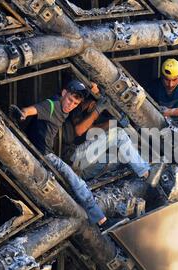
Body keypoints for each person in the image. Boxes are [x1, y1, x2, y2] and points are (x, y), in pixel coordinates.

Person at [11, 79, 115, 231]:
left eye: (74, 103)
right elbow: (33, 109)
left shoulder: (67, 109)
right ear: (63, 93)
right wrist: (22, 113)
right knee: (78, 183)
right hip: (45, 156)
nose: (70, 105)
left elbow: (83, 99)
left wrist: (93, 91)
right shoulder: (52, 105)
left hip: (45, 154)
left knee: (75, 182)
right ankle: (102, 221)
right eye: (69, 100)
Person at [61, 89, 161, 186]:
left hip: (82, 172)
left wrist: (115, 121)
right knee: (118, 134)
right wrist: (97, 110)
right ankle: (146, 173)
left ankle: (149, 171)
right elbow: (80, 130)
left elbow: (92, 129)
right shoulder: (76, 109)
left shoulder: (91, 117)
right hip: (73, 159)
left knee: (121, 157)